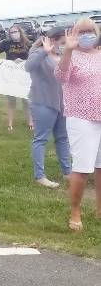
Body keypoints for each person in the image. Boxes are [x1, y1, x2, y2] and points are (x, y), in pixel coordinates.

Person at [55, 19, 101, 231]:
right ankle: (75, 210)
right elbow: (61, 76)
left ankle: (99, 208)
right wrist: (67, 52)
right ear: (74, 34)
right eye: (81, 32)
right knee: (82, 168)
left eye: (90, 31)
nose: (86, 35)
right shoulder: (72, 55)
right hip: (81, 118)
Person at [25, 27, 71, 188]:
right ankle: (40, 176)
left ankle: (68, 172)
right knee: (41, 139)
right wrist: (45, 52)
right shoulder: (38, 52)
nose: (65, 45)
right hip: (43, 102)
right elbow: (28, 67)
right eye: (63, 42)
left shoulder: (60, 54)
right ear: (54, 39)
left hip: (61, 103)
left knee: (62, 138)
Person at [0, 24, 33, 131]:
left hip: (24, 74)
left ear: (20, 32)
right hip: (10, 74)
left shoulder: (27, 43)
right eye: (12, 32)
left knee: (26, 100)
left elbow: (33, 57)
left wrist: (23, 61)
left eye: (16, 32)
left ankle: (31, 122)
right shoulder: (6, 43)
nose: (14, 34)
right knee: (11, 100)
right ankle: (10, 124)